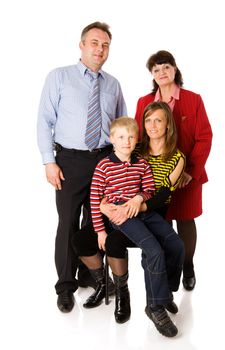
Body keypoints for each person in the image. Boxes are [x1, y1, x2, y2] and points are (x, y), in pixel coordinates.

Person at [37, 21, 127, 313]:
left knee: (96, 222)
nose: (100, 49)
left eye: (105, 45)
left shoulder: (113, 84)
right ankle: (65, 285)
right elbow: (44, 121)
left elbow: (121, 125)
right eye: (94, 43)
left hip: (103, 160)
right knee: (67, 223)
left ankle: (90, 272)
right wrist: (49, 161)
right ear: (82, 45)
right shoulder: (59, 77)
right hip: (70, 161)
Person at [83, 116, 184, 338]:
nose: (126, 141)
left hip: (141, 210)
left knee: (176, 244)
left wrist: (138, 198)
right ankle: (155, 307)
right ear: (112, 139)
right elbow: (94, 199)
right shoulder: (104, 166)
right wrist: (100, 230)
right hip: (121, 216)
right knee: (154, 250)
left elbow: (148, 189)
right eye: (121, 137)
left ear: (137, 138)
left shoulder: (141, 163)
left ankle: (165, 292)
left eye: (131, 137)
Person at [135, 50, 213, 291]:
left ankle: (187, 266)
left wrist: (190, 170)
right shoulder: (144, 102)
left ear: (175, 69)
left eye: (166, 67)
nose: (162, 72)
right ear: (152, 74)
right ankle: (169, 269)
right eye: (156, 69)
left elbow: (204, 137)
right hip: (154, 176)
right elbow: (138, 138)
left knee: (186, 220)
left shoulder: (193, 99)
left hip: (187, 176)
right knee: (161, 223)